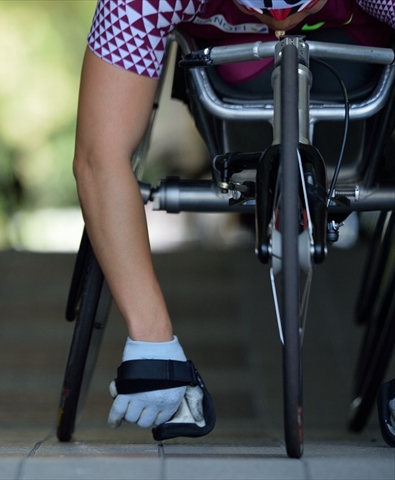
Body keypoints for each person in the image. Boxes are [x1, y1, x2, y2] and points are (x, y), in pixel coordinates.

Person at [73, 0, 395, 431]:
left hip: (355, 77)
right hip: (234, 84)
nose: (280, 19)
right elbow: (99, 156)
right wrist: (151, 339)